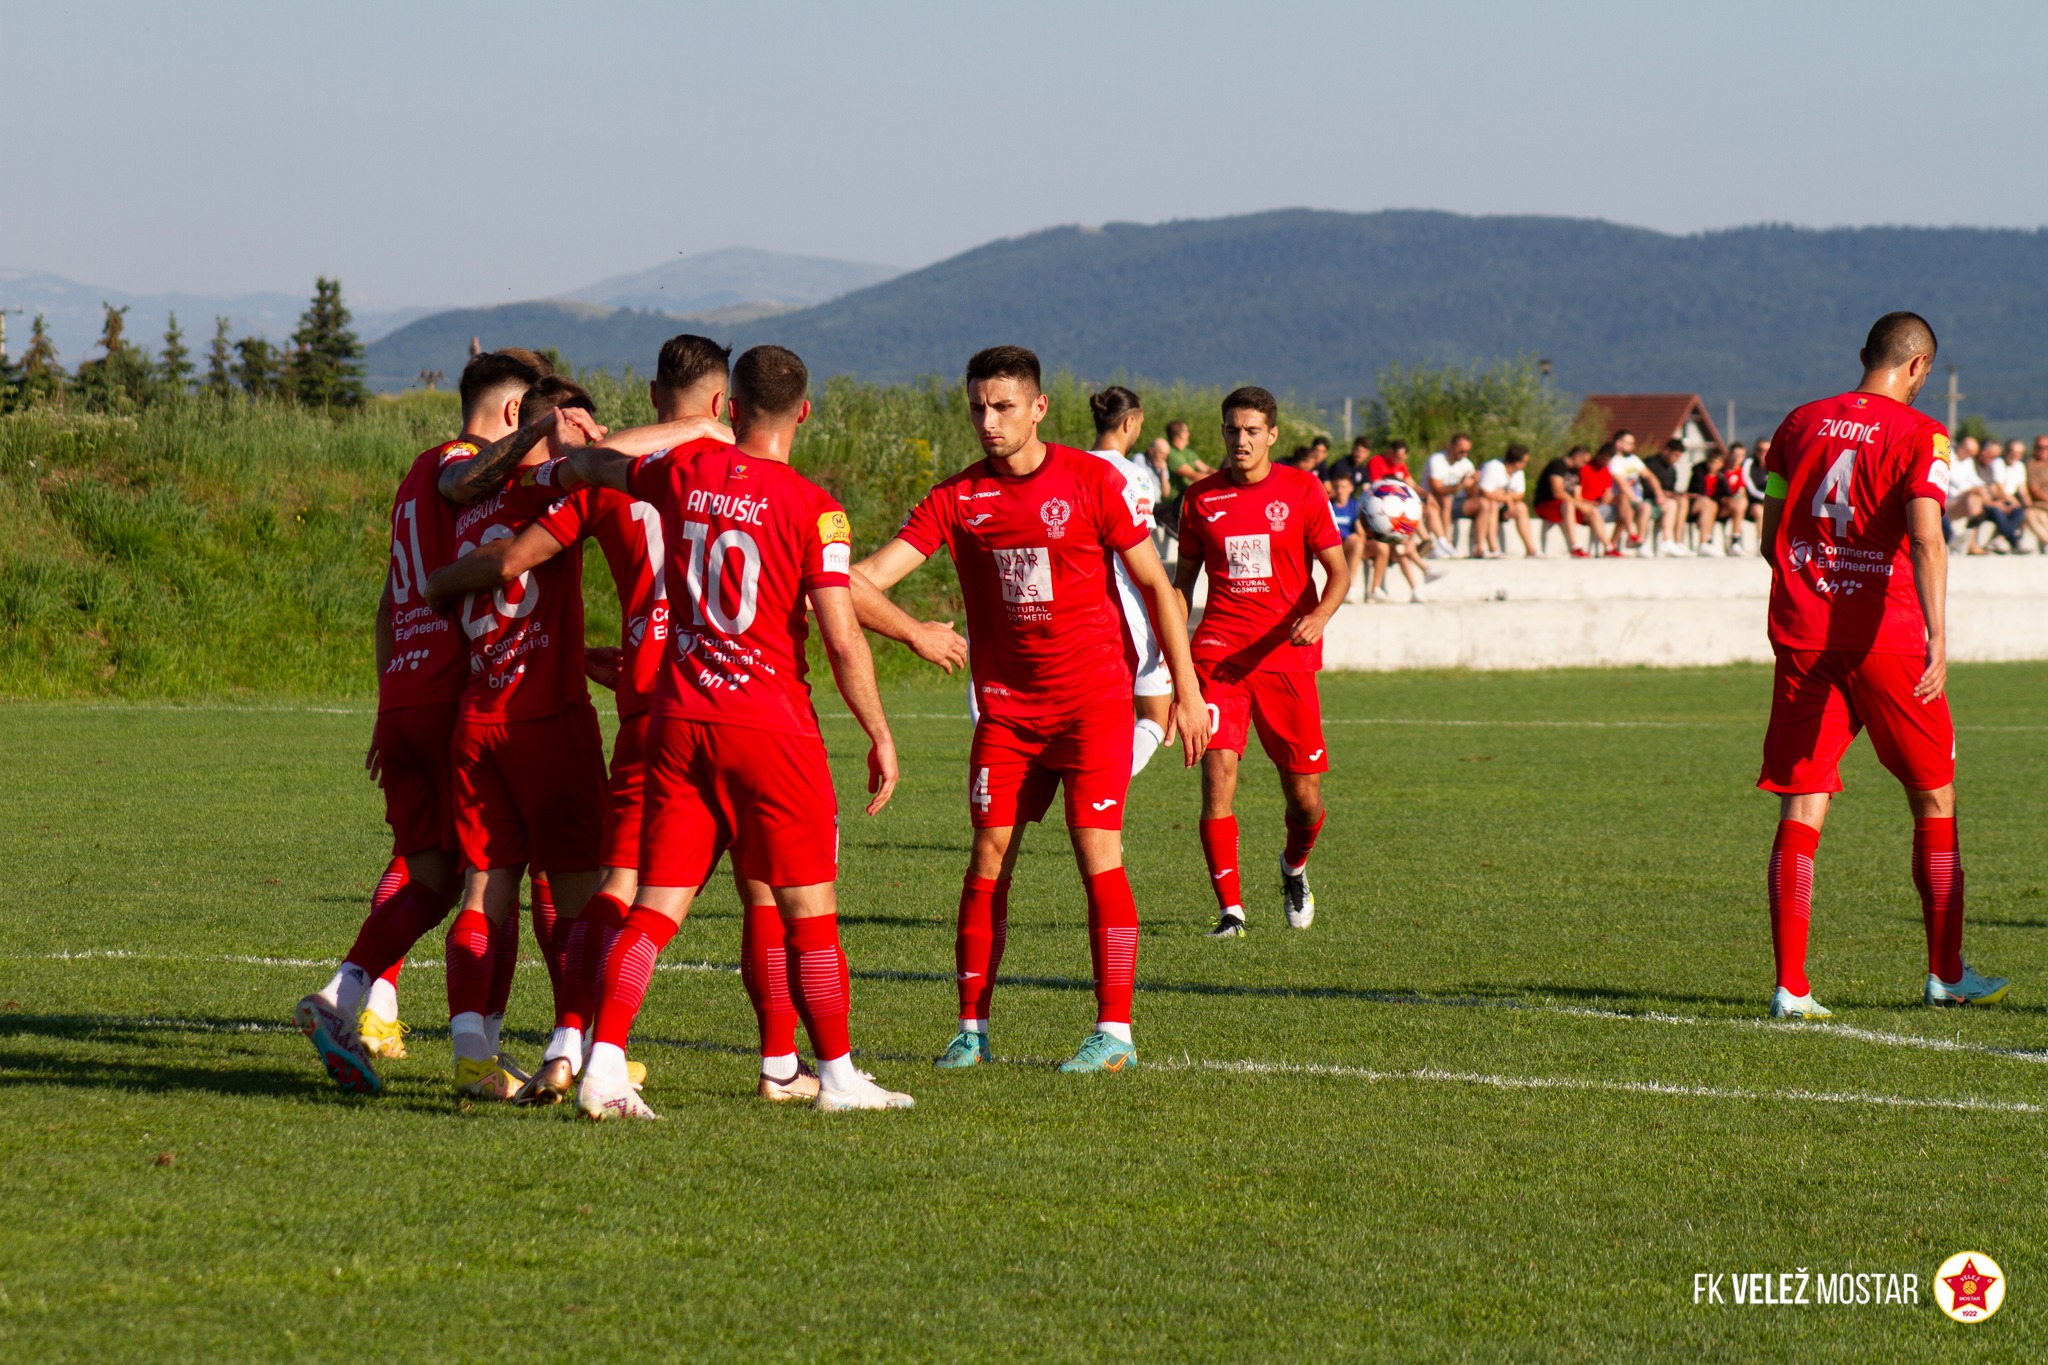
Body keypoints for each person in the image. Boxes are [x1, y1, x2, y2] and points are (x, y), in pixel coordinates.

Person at [547, 345, 912, 1118]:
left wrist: (560, 466)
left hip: (681, 720)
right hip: (771, 727)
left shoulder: (682, 475)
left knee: (655, 907)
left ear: (730, 408)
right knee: (808, 909)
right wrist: (878, 730)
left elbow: (601, 470)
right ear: (803, 413)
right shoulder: (817, 506)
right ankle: (838, 1074)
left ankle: (603, 1062)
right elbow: (843, 638)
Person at [855, 345, 1209, 1075]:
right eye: (979, 407)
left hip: (1094, 705)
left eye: (1004, 406)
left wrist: (1189, 687)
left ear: (1039, 407)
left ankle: (1115, 1033)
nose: (988, 421)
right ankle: (971, 1030)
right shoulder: (957, 498)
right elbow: (861, 579)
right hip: (1008, 713)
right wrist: (912, 629)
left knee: (1096, 854)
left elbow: (1157, 588)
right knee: (988, 856)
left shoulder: (1090, 482)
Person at [294, 347, 569, 1095]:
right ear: (515, 415)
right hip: (457, 697)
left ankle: (344, 994)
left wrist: (388, 704)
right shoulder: (458, 467)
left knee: (430, 877)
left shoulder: (412, 476)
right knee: (493, 877)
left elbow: (388, 605)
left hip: (406, 697)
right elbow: (471, 495)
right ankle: (483, 1050)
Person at [1756, 310, 2007, 1019]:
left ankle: (1792, 986)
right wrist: (1939, 634)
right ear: (1920, 368)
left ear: (1864, 354)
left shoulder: (1796, 424)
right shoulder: (1919, 433)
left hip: (1805, 634)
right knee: (1933, 795)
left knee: (1803, 804)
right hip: (1888, 636)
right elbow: (1927, 538)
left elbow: (1770, 534)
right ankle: (1945, 972)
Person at [1175, 387, 1349, 937]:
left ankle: (1294, 867)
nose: (1241, 440)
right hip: (1219, 660)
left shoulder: (1302, 490)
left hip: (1286, 663)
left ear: (1272, 434)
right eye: (1232, 430)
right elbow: (1182, 587)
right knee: (1218, 774)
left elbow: (1339, 572)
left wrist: (1319, 616)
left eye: (1252, 431)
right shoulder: (1200, 499)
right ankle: (1231, 911)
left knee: (1305, 798)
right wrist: (1166, 645)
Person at [1085, 385, 1176, 775]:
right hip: (1128, 611)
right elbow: (1141, 556)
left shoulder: (1070, 466)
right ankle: (1103, 794)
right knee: (1154, 716)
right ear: (1130, 422)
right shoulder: (1135, 476)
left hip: (1081, 609)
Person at [1534, 445, 1612, 556]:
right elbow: (1558, 492)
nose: (1585, 465)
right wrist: (1579, 505)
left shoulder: (1576, 472)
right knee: (1569, 505)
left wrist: (1593, 504)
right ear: (1577, 456)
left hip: (1567, 506)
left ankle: (1608, 547)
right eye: (1584, 461)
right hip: (1547, 506)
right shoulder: (1558, 465)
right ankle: (1574, 546)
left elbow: (1577, 497)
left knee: (1593, 511)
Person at [1471, 444, 1536, 558]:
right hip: (1483, 504)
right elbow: (1485, 492)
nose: (1525, 466)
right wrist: (1506, 498)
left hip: (1503, 506)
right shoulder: (1493, 467)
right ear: (1516, 462)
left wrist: (1504, 495)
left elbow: (1520, 495)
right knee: (1492, 504)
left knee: (1521, 507)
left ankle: (1531, 549)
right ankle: (1493, 547)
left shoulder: (1518, 473)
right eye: (1524, 462)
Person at [1422, 432, 1476, 557]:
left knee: (1485, 504)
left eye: (1467, 452)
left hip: (1456, 502)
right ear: (1451, 446)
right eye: (1461, 451)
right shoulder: (1436, 460)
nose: (1464, 455)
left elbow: (1471, 495)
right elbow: (1437, 490)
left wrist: (1475, 483)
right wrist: (1460, 485)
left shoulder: (1467, 464)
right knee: (1446, 499)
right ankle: (1445, 542)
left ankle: (1481, 548)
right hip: (1432, 500)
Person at [1686, 447, 1746, 554]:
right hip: (1701, 504)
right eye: (1711, 462)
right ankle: (1705, 542)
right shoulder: (1699, 472)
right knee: (1709, 504)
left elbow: (1726, 492)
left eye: (1716, 462)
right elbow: (1698, 492)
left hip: (1717, 505)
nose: (1713, 465)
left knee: (1739, 503)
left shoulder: (1722, 476)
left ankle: (1735, 540)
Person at [1972, 443, 2027, 552]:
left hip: (2002, 501)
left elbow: (2022, 490)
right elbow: (1996, 490)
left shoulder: (2018, 466)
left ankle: (1999, 539)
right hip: (1989, 502)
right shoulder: (1993, 464)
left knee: (2020, 512)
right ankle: (2015, 541)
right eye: (2013, 451)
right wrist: (2011, 502)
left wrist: (2027, 504)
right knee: (1998, 511)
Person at [1604, 431, 1651, 555]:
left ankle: (1636, 541)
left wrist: (1659, 493)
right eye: (1629, 443)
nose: (1633, 446)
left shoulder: (1634, 459)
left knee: (1637, 509)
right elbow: (1622, 485)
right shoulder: (1614, 462)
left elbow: (1649, 476)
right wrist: (1635, 501)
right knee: (1626, 503)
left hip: (1628, 502)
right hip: (1618, 499)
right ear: (1619, 443)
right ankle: (1632, 535)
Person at [1641, 438, 1690, 554]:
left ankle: (1677, 541)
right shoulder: (1650, 464)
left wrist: (1673, 494)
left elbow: (1671, 489)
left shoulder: (1672, 469)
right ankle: (1667, 539)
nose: (1676, 460)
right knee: (1673, 503)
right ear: (1667, 451)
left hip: (1664, 501)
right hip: (1650, 500)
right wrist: (1662, 493)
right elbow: (1645, 487)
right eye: (1675, 456)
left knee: (1683, 501)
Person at [1163, 419, 1214, 496]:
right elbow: (1192, 475)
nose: (1189, 433)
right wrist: (1218, 480)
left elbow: (1206, 469)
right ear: (1181, 434)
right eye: (1187, 431)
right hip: (1178, 497)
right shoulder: (1171, 453)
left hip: (1190, 492)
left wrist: (1223, 475)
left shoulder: (1188, 452)